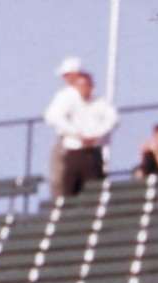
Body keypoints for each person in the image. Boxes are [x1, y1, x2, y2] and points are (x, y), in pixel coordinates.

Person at [44, 58, 118, 200]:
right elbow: (52, 117)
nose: (64, 78)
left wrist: (95, 135)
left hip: (90, 150)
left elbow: (112, 118)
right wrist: (77, 134)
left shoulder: (95, 100)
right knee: (64, 184)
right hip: (71, 146)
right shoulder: (66, 95)